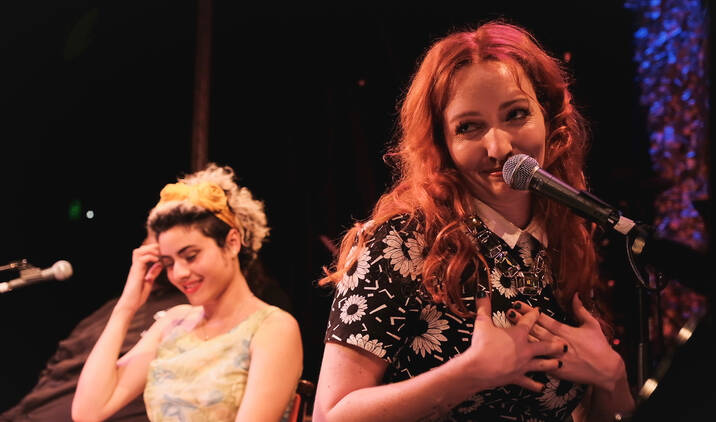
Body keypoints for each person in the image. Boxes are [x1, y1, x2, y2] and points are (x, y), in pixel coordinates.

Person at [313, 21, 635, 422]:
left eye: (516, 115)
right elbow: (331, 415)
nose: (498, 147)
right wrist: (469, 374)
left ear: (549, 118)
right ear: (442, 143)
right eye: (469, 127)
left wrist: (612, 377)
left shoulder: (567, 234)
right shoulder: (403, 240)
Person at [71, 164, 303, 422]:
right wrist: (126, 307)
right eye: (169, 263)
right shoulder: (173, 323)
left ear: (232, 243)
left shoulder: (272, 328)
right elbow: (88, 412)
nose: (178, 273)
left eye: (191, 256)